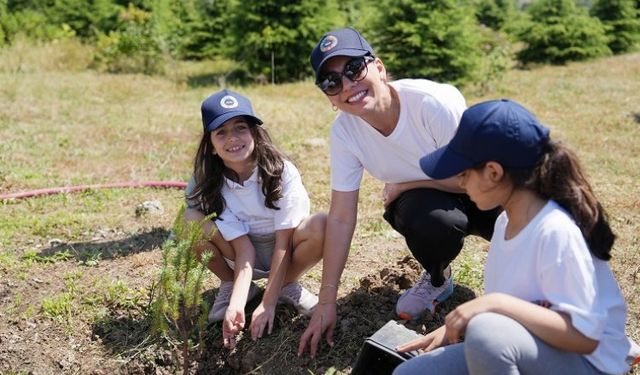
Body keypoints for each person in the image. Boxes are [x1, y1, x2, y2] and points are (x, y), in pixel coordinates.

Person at [298, 27, 501, 357]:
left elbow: (478, 178)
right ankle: (439, 280)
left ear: (378, 67)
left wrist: (408, 183)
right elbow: (340, 217)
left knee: (514, 225)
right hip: (437, 201)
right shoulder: (346, 134)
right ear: (329, 97)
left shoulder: (430, 105)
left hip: (488, 187)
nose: (348, 84)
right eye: (332, 82)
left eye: (353, 68)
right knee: (425, 219)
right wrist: (326, 301)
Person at [393, 99, 631, 374]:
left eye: (463, 173)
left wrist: (493, 305)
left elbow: (585, 338)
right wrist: (452, 329)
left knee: (486, 334)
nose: (459, 182)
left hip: (588, 364)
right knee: (409, 373)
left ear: (493, 172)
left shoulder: (555, 232)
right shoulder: (506, 222)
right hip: (536, 350)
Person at [184, 89, 327, 349]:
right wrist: (237, 306)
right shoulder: (208, 182)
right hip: (238, 251)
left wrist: (268, 303)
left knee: (322, 225)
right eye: (221, 132)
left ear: (255, 134)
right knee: (190, 222)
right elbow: (243, 249)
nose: (233, 139)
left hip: (284, 249)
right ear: (212, 146)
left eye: (241, 128)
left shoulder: (281, 172)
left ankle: (284, 285)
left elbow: (284, 242)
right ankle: (233, 285)